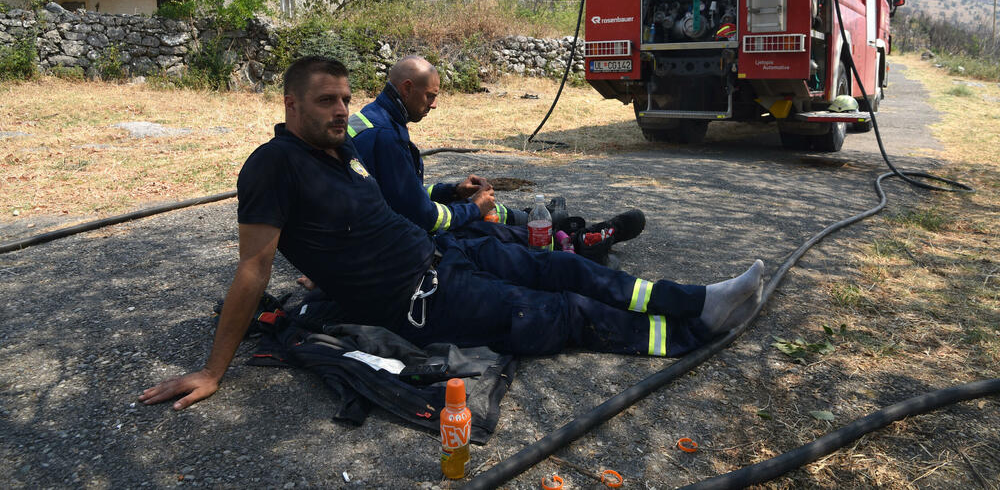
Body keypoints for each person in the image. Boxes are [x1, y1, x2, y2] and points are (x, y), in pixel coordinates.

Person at [140, 56, 763, 411]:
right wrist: (214, 371)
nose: (341, 110)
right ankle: (689, 333)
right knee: (560, 312)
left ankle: (697, 299)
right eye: (326, 100)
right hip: (422, 300)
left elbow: (364, 219)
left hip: (444, 256)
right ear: (290, 105)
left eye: (345, 98)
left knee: (563, 266)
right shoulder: (272, 164)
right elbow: (253, 266)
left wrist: (329, 269)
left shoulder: (338, 151)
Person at [346, 54, 645, 257]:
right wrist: (473, 208)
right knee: (482, 229)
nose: (434, 105)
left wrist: (454, 191)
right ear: (407, 88)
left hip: (381, 228)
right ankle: (579, 244)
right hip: (390, 246)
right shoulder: (386, 136)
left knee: (474, 210)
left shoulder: (371, 118)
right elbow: (425, 217)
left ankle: (542, 222)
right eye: (430, 96)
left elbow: (401, 194)